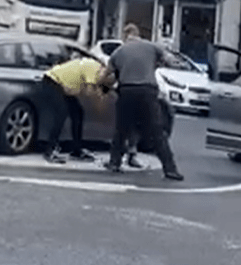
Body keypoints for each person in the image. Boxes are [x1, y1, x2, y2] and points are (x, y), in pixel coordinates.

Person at [98, 23, 184, 181]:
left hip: (127, 91)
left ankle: (114, 163)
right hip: (148, 92)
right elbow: (171, 61)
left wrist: (103, 83)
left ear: (125, 36)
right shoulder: (152, 47)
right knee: (157, 132)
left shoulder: (118, 52)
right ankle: (170, 169)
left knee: (121, 129)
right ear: (138, 34)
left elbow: (105, 77)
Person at [41, 54, 109, 164]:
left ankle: (76, 150)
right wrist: (99, 97)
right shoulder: (93, 68)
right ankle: (50, 150)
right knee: (61, 113)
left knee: (77, 113)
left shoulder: (95, 69)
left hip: (62, 86)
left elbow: (83, 91)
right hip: (53, 81)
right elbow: (89, 93)